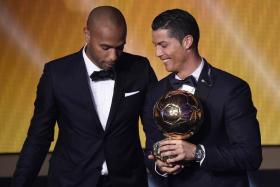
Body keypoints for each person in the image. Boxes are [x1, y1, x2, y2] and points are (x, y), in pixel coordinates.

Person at [12, 6, 157, 187]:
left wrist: (160, 164)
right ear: (87, 34)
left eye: (120, 47)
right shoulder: (56, 74)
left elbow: (154, 126)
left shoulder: (140, 68)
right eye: (105, 47)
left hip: (128, 181)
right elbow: (38, 137)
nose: (113, 56)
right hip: (71, 181)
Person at [142, 9, 262, 187]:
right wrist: (159, 166)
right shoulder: (155, 92)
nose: (158, 53)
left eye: (163, 45)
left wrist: (197, 153)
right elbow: (152, 150)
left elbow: (250, 156)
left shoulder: (232, 89)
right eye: (155, 45)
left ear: (187, 42)